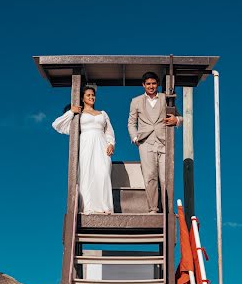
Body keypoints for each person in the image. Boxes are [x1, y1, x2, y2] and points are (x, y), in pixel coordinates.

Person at [52, 85, 115, 214]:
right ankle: (88, 207)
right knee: (87, 174)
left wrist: (111, 144)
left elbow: (109, 131)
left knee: (103, 173)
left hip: (101, 144)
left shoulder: (102, 113)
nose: (92, 97)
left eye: (93, 95)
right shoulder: (78, 114)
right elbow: (56, 124)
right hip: (86, 144)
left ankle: (104, 207)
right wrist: (71, 111)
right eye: (88, 95)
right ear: (82, 98)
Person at [128, 71, 182, 213]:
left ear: (157, 84)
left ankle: (168, 209)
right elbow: (131, 123)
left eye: (153, 83)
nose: (151, 86)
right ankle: (153, 208)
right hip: (145, 143)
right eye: (148, 84)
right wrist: (134, 137)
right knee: (150, 176)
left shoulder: (166, 98)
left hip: (164, 142)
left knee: (166, 178)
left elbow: (179, 117)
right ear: (143, 85)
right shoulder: (136, 101)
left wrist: (176, 120)